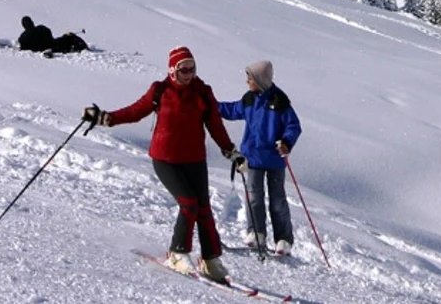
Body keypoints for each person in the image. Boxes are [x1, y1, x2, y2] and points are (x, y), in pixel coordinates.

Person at [82, 46, 244, 282]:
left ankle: (210, 260)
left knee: (204, 209)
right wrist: (105, 118)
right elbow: (135, 111)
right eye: (183, 69)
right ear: (172, 70)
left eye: (192, 68)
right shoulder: (160, 90)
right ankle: (177, 253)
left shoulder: (203, 92)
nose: (188, 73)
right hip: (165, 160)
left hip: (195, 160)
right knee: (189, 203)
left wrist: (231, 152)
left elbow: (215, 125)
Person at [218, 60, 302, 256]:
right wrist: (210, 105)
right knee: (253, 197)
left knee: (278, 200)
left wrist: (286, 143)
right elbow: (231, 110)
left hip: (274, 160)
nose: (247, 82)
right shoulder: (249, 99)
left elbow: (294, 126)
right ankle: (256, 233)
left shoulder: (279, 101)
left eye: (250, 78)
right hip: (253, 158)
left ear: (260, 79)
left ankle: (283, 239)